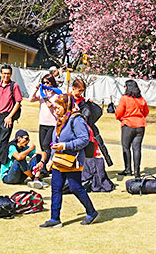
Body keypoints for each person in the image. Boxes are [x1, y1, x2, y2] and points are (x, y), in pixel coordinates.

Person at [40, 94, 99, 228]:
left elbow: (84, 139)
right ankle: (55, 219)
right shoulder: (60, 120)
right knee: (56, 188)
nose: (55, 110)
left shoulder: (76, 120)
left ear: (66, 105)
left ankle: (91, 212)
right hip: (58, 161)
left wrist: (65, 146)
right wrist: (50, 159)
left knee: (75, 187)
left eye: (58, 107)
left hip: (72, 160)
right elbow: (55, 142)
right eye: (55, 107)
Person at [0, 65, 23, 175]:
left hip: (7, 116)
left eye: (8, 73)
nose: (6, 75)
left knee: (3, 141)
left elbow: (18, 102)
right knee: (0, 141)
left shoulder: (14, 86)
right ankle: (4, 161)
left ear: (11, 74)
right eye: (4, 73)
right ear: (1, 73)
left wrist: (10, 117)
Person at [115, 79, 149, 177]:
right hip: (140, 126)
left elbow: (118, 112)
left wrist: (120, 118)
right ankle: (137, 172)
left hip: (128, 125)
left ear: (127, 87)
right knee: (137, 148)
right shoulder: (141, 99)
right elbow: (146, 112)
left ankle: (128, 170)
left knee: (126, 148)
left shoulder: (124, 98)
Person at [31, 73, 63, 157]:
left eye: (47, 82)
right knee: (42, 146)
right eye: (44, 82)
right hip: (42, 123)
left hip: (52, 123)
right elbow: (31, 99)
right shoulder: (42, 93)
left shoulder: (57, 94)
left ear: (52, 82)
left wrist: (53, 106)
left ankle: (48, 166)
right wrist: (36, 89)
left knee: (46, 145)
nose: (45, 84)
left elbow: (62, 106)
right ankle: (44, 165)